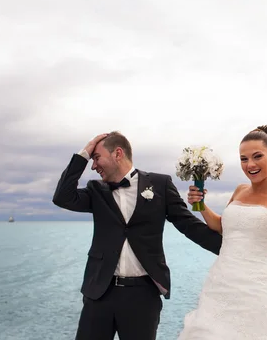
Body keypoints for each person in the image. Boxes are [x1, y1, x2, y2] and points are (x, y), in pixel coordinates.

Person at [52, 131, 222, 340]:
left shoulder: (160, 185)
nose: (94, 166)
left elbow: (188, 224)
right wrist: (85, 153)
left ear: (118, 154)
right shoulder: (96, 190)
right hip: (99, 293)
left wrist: (228, 249)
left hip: (142, 295)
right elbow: (62, 197)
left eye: (96, 158)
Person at [177, 125, 267, 340]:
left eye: (257, 156)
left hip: (252, 289)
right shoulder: (240, 190)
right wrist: (201, 204)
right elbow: (223, 227)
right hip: (219, 282)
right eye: (243, 159)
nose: (250, 164)